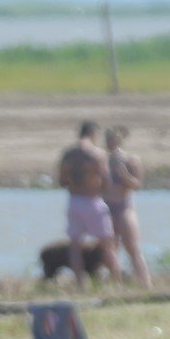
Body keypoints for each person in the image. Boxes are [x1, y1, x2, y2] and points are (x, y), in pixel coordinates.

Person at [57, 121, 121, 288]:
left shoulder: (68, 154)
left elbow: (62, 180)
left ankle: (80, 284)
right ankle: (116, 281)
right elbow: (107, 181)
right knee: (108, 243)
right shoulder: (97, 154)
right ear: (94, 134)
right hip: (93, 201)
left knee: (75, 246)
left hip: (74, 200)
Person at [104, 126, 151, 288]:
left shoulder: (130, 159)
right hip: (106, 207)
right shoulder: (103, 160)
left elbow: (137, 184)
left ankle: (145, 282)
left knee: (132, 246)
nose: (110, 142)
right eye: (108, 139)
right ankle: (115, 283)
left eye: (113, 139)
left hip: (124, 207)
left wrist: (124, 175)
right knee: (110, 247)